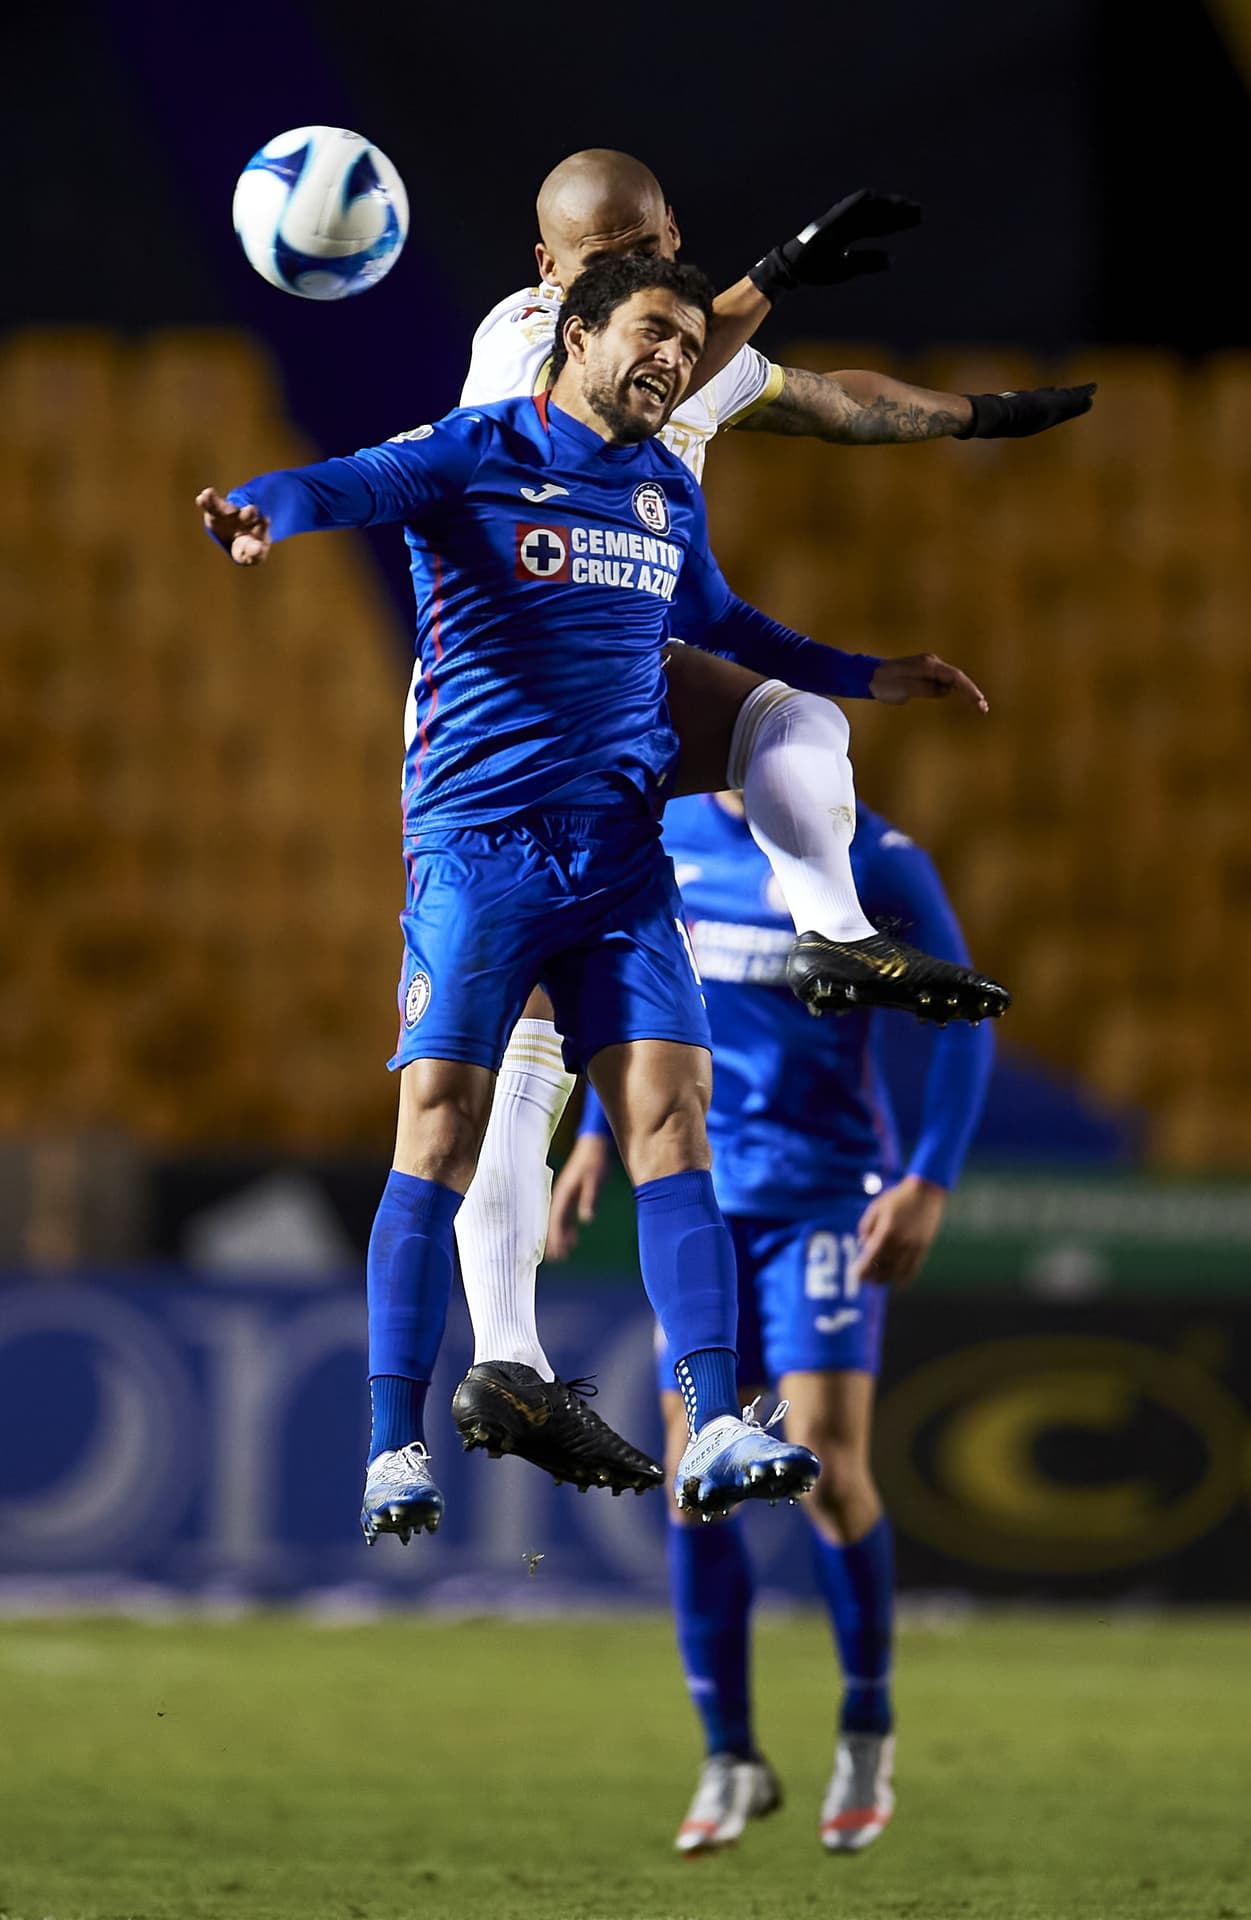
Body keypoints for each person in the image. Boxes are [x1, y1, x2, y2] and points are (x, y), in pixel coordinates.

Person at [197, 254, 1004, 1548]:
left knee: (669, 1126)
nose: (676, 362)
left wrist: (869, 676)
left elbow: (732, 626)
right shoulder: (471, 450)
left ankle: (716, 1411)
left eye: (691, 345)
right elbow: (333, 485)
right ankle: (392, 1446)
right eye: (653, 335)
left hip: (624, 861)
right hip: (480, 853)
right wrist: (259, 513)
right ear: (571, 334)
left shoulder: (664, 490)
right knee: (441, 1130)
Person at [448, 147, 1088, 1493]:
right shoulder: (527, 346)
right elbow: (621, 406)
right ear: (548, 273)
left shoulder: (683, 345)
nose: (629, 275)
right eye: (601, 258)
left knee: (787, 732)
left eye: (649, 245)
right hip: (509, 696)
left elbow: (836, 403)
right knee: (517, 1051)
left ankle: (830, 934)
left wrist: (974, 417)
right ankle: (503, 1353)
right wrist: (777, 274)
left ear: (670, 233)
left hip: (612, 692)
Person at [547, 790, 994, 1854]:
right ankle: (728, 1756)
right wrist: (603, 1137)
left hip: (822, 1196)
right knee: (693, 1475)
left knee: (829, 1468)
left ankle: (864, 1728)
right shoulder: (662, 838)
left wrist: (927, 1178)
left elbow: (966, 1022)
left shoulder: (872, 856)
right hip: (693, 1190)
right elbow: (624, 994)